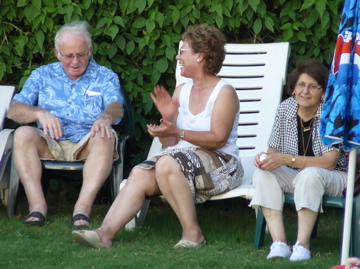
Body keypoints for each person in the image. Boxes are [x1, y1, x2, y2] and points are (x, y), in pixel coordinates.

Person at [71, 24, 244, 248]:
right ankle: (104, 234)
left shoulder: (224, 92)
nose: (177, 56)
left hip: (222, 164)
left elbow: (218, 139)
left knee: (166, 163)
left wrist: (177, 131)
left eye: (183, 51)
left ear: (200, 56)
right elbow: (172, 143)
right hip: (180, 160)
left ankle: (193, 233)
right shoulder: (182, 90)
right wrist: (167, 123)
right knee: (140, 173)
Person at [7, 21, 124, 228]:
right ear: (57, 53)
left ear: (90, 50)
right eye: (69, 55)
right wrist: (39, 113)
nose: (75, 61)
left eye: (81, 54)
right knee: (23, 133)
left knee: (106, 134)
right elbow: (14, 109)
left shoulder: (105, 76)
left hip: (88, 143)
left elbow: (116, 106)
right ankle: (37, 207)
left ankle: (82, 208)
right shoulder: (42, 75)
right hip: (49, 142)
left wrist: (105, 117)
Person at [249, 59, 347, 261]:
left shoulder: (331, 114)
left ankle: (302, 245)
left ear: (323, 93)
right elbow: (274, 147)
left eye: (313, 86)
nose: (305, 91)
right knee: (263, 172)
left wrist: (286, 159)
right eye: (301, 85)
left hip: (337, 176)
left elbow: (329, 161)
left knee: (309, 175)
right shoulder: (285, 108)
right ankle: (279, 242)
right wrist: (267, 158)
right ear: (293, 89)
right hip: (297, 174)